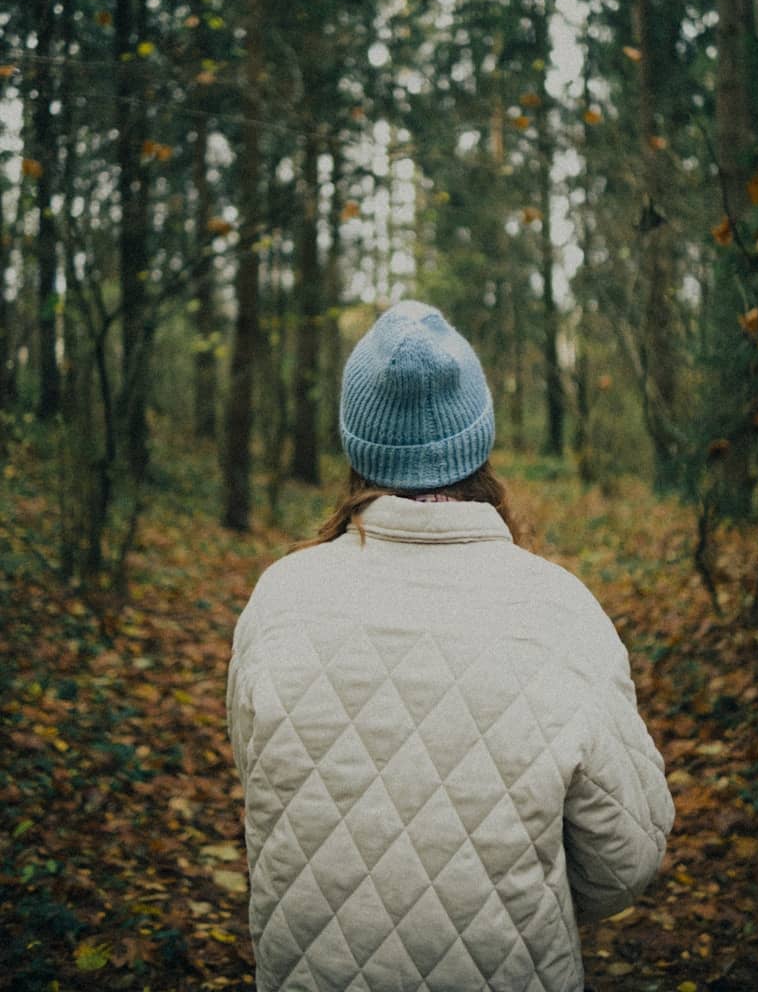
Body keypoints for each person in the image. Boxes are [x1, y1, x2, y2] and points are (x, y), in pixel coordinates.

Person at [227, 300, 674, 992]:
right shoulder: (559, 611)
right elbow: (626, 860)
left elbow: (264, 790)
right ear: (478, 438)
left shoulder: (278, 601)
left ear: (357, 445)